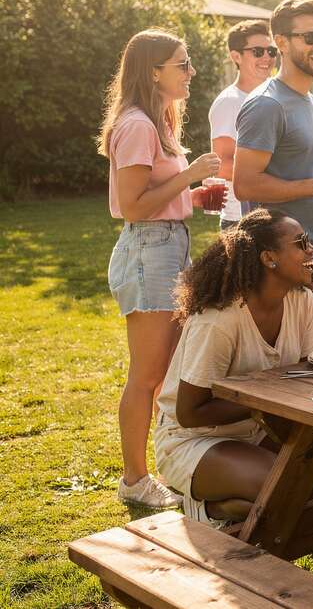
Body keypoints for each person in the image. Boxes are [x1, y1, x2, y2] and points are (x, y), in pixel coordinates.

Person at [153, 209, 313, 525]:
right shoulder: (219, 320)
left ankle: (263, 506)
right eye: (301, 243)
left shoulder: (300, 299)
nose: (312, 250)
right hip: (195, 439)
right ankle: (212, 510)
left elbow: (309, 369)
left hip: (265, 427)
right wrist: (264, 399)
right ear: (269, 257)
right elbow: (190, 414)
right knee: (282, 485)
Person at [99, 29, 220, 507]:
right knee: (147, 375)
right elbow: (132, 206)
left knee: (168, 370)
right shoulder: (137, 126)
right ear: (153, 71)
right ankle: (134, 480)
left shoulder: (158, 121)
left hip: (168, 244)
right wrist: (190, 176)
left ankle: (166, 465)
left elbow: (156, 196)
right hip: (150, 251)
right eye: (182, 64)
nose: (190, 72)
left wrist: (192, 194)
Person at [234, 0, 313, 332]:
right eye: (310, 38)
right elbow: (244, 184)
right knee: (279, 377)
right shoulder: (266, 105)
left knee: (312, 371)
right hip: (276, 265)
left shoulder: (309, 100)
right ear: (282, 42)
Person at [208, 19, 274, 231]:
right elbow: (223, 166)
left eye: (271, 51)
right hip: (241, 220)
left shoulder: (274, 97)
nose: (267, 57)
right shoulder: (230, 101)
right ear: (236, 56)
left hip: (274, 213)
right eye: (257, 51)